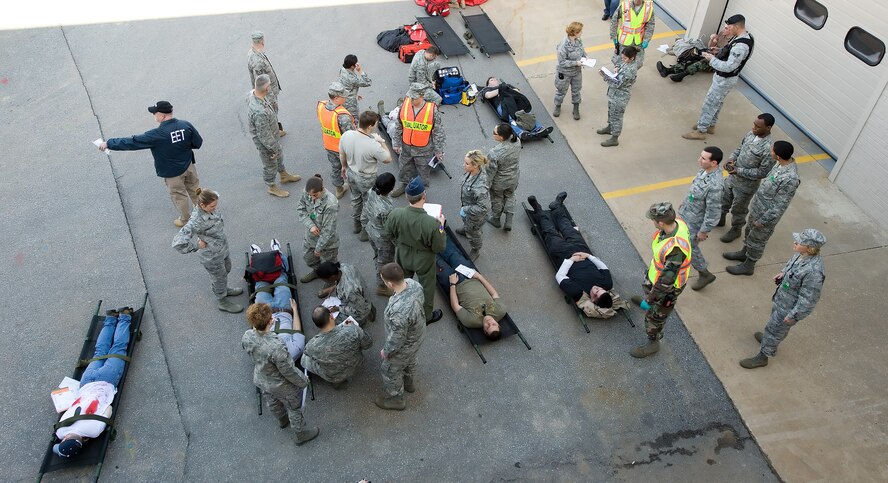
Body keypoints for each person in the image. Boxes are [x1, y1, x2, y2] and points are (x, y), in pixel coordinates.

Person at [99, 100, 202, 227]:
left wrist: (109, 143)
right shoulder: (185, 125)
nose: (153, 115)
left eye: (155, 113)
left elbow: (133, 142)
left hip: (172, 173)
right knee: (195, 189)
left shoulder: (156, 135)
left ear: (162, 116)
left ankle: (186, 219)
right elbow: (198, 142)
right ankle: (203, 211)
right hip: (189, 166)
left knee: (179, 195)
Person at [739, 229, 826, 369]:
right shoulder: (801, 254)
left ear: (810, 248)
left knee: (776, 330)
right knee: (773, 326)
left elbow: (809, 300)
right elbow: (790, 265)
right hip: (782, 299)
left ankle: (763, 356)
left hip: (789, 308)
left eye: (799, 242)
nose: (795, 242)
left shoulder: (814, 271)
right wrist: (783, 273)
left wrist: (794, 315)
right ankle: (768, 340)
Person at [53, 308, 133, 458]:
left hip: (106, 381)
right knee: (100, 352)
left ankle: (125, 317)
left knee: (118, 349)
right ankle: (110, 319)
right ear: (64, 440)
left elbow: (108, 409)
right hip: (86, 382)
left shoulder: (94, 431)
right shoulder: (60, 431)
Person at [242, 305, 319, 445]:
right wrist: (303, 380)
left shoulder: (247, 336)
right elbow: (288, 370)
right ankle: (300, 435)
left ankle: (282, 420)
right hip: (280, 385)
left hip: (261, 378)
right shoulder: (276, 347)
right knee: (294, 407)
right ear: (270, 321)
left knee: (272, 401)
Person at [527, 193, 616, 313]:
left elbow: (560, 276)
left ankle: (538, 209)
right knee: (567, 227)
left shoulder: (578, 292)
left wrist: (571, 260)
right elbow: (604, 267)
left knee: (549, 231)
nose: (598, 288)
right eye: (601, 289)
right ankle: (557, 206)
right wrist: (588, 256)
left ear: (593, 299)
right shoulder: (607, 284)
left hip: (562, 254)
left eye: (597, 291)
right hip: (582, 251)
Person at [724, 141, 800, 276]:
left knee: (757, 240)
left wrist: (763, 220)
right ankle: (744, 253)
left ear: (778, 156)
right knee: (749, 232)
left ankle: (749, 265)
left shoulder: (791, 178)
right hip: (758, 207)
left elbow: (780, 205)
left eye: (772, 150)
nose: (770, 151)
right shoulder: (779, 164)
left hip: (766, 215)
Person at [630, 202, 692, 358]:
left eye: (653, 220)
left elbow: (666, 282)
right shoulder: (678, 224)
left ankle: (653, 342)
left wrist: (651, 299)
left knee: (656, 316)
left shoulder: (675, 250)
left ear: (661, 222)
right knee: (651, 300)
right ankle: (649, 303)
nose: (652, 222)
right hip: (656, 277)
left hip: (667, 289)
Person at [384, 177, 446, 324]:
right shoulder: (433, 223)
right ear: (424, 195)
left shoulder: (396, 214)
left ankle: (402, 308)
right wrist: (441, 226)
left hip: (403, 255)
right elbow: (439, 247)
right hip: (424, 259)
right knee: (427, 287)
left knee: (402, 283)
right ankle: (427, 315)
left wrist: (400, 243)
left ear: (407, 196)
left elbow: (388, 233)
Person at [172, 188, 244, 313]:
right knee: (218, 277)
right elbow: (178, 243)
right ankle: (222, 300)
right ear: (202, 205)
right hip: (211, 256)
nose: (215, 208)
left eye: (216, 205)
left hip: (222, 248)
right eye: (212, 206)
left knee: (227, 269)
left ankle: (224, 289)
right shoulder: (195, 221)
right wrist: (196, 246)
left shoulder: (209, 208)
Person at [683, 14, 754, 140]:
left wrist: (711, 59)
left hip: (725, 79)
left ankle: (701, 130)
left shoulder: (741, 46)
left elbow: (728, 66)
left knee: (710, 103)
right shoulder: (743, 38)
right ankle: (711, 125)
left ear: (737, 27)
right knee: (717, 102)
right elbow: (730, 53)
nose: (725, 30)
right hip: (724, 78)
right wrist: (719, 51)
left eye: (729, 27)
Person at [375, 263, 426, 410]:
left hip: (405, 343)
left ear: (390, 284)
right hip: (418, 334)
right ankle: (408, 382)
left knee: (389, 369)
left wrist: (387, 351)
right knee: (410, 359)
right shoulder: (413, 284)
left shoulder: (399, 312)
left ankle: (396, 399)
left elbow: (397, 337)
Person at [718, 113, 775, 242]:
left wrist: (739, 170)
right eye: (754, 125)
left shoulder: (768, 148)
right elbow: (740, 148)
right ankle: (720, 219)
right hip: (732, 178)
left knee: (739, 209)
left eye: (758, 126)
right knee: (724, 199)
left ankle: (736, 230)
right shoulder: (751, 134)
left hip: (745, 186)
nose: (754, 128)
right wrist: (731, 159)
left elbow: (762, 172)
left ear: (768, 128)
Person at [435, 238, 506, 339]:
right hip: (471, 276)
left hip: (456, 284)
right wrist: (479, 276)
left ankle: (421, 242)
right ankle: (438, 231)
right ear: (498, 325)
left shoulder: (471, 321)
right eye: (493, 325)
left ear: (484, 331)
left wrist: (452, 284)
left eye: (487, 327)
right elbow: (494, 293)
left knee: (437, 261)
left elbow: (455, 305)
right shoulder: (501, 311)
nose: (489, 323)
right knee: (453, 254)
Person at [247, 239, 305, 360]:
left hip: (263, 313)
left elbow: (255, 330)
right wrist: (295, 311)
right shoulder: (294, 351)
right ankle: (277, 254)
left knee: (261, 284)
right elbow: (297, 329)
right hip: (285, 310)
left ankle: (258, 258)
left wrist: (256, 314)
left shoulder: (262, 352)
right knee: (281, 279)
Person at [339, 110, 391, 241]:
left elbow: (342, 154)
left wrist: (344, 166)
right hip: (367, 177)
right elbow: (388, 158)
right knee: (368, 203)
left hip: (351, 172)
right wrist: (382, 141)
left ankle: (356, 224)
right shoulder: (372, 145)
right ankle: (364, 230)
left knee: (356, 199)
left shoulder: (347, 135)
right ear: (370, 126)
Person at [677, 147, 724, 291]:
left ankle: (704, 273)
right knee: (682, 244)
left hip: (696, 222)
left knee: (690, 248)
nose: (699, 160)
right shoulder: (705, 171)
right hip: (688, 214)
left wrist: (703, 231)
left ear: (714, 163)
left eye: (703, 158)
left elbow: (714, 211)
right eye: (700, 156)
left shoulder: (715, 184)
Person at [248, 74, 302, 198]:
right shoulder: (259, 112)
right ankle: (271, 186)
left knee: (279, 157)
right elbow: (264, 136)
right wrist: (273, 149)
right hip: (267, 143)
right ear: (266, 88)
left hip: (272, 137)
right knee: (270, 164)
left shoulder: (257, 95)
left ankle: (283, 175)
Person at [390, 83, 446, 196]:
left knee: (423, 172)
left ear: (422, 96)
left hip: (424, 150)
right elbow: (398, 126)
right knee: (405, 168)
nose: (411, 100)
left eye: (414, 98)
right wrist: (396, 143)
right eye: (410, 96)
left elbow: (439, 132)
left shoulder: (432, 110)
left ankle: (420, 194)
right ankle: (405, 186)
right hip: (406, 148)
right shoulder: (404, 106)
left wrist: (438, 150)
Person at [301, 305, 373, 388]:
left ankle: (337, 381)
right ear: (331, 316)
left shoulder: (312, 345)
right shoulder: (352, 329)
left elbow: (307, 352)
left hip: (334, 375)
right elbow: (368, 344)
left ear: (317, 325)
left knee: (304, 359)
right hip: (355, 364)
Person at [478, 77, 553, 141]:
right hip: (502, 106)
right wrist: (501, 89)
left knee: (525, 115)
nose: (495, 80)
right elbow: (488, 96)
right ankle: (521, 132)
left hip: (513, 103)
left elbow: (517, 91)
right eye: (492, 80)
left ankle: (539, 128)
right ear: (488, 84)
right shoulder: (488, 89)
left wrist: (506, 88)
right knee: (511, 117)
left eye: (495, 79)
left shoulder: (506, 85)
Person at [296, 175, 340, 283]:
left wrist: (319, 248)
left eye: (315, 195)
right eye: (309, 195)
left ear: (322, 189)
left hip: (326, 243)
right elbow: (301, 209)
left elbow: (328, 230)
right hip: (311, 237)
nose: (312, 198)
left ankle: (331, 282)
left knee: (329, 266)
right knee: (309, 259)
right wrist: (310, 225)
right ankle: (317, 271)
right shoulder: (307, 192)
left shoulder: (331, 204)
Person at [317, 81, 356, 199]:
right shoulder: (343, 116)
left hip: (329, 145)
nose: (346, 97)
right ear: (337, 98)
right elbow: (351, 136)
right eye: (343, 96)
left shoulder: (321, 106)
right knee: (352, 168)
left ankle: (339, 189)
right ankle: (355, 188)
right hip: (343, 150)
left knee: (335, 167)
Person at [596, 45, 639, 147]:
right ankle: (610, 128)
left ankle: (614, 138)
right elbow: (620, 64)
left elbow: (617, 83)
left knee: (617, 117)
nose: (623, 59)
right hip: (614, 94)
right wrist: (616, 68)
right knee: (611, 112)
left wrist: (604, 76)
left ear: (632, 58)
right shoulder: (627, 62)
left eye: (625, 58)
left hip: (620, 97)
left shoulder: (630, 71)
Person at [363, 173, 397, 296]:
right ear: (391, 188)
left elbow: (365, 209)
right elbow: (389, 228)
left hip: (371, 230)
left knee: (378, 256)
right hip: (383, 238)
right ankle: (382, 286)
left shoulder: (371, 192)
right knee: (384, 262)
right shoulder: (386, 209)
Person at [247, 31, 285, 137]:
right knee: (271, 113)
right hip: (268, 94)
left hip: (267, 92)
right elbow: (262, 83)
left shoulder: (252, 52)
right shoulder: (257, 61)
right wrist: (272, 100)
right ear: (262, 42)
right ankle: (275, 132)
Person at [454, 150, 491, 260]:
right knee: (468, 225)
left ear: (475, 166)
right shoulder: (473, 172)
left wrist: (466, 209)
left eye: (467, 163)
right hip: (468, 209)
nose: (463, 165)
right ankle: (466, 230)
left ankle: (475, 249)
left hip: (475, 216)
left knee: (475, 233)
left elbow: (483, 207)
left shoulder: (480, 186)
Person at [656, 30, 730, 82]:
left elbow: (725, 58)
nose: (723, 30)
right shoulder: (722, 33)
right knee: (694, 55)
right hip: (712, 54)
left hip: (718, 62)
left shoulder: (733, 42)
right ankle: (667, 71)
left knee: (702, 62)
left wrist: (717, 51)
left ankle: (682, 75)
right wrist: (712, 40)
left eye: (726, 28)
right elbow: (710, 46)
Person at [486, 123, 522, 231]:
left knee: (497, 199)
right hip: (513, 177)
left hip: (499, 182)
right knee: (510, 195)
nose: (493, 134)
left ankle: (496, 219)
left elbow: (490, 173)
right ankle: (509, 219)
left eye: (494, 133)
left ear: (501, 137)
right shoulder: (517, 141)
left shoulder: (494, 153)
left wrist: (486, 186)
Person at [553, 21, 586, 120]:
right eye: (580, 31)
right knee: (561, 91)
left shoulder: (578, 40)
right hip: (565, 73)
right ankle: (557, 106)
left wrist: (585, 58)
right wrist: (576, 63)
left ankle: (576, 108)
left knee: (576, 90)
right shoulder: (563, 46)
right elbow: (562, 62)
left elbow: (582, 50)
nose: (581, 33)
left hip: (576, 72)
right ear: (574, 32)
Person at [610, 0, 655, 68]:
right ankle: (619, 75)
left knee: (637, 63)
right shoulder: (624, 5)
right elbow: (614, 21)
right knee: (619, 61)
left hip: (638, 42)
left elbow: (650, 25)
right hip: (624, 40)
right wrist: (614, 36)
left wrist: (646, 39)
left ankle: (630, 76)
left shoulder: (648, 8)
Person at [338, 54, 372, 118]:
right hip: (349, 102)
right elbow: (368, 82)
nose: (357, 64)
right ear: (352, 66)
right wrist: (360, 71)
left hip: (342, 96)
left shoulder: (343, 69)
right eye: (356, 63)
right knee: (354, 118)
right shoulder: (352, 79)